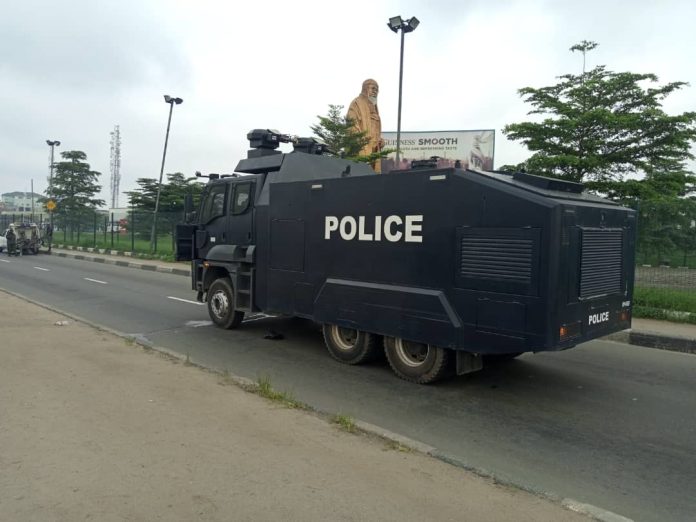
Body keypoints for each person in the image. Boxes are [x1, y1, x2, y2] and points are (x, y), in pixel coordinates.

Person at [347, 79, 384, 173]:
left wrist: (380, 141)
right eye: (373, 88)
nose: (375, 91)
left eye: (377, 90)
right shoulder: (356, 103)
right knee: (361, 173)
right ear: (365, 89)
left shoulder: (375, 108)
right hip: (362, 148)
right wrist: (361, 141)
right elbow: (351, 125)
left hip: (374, 150)